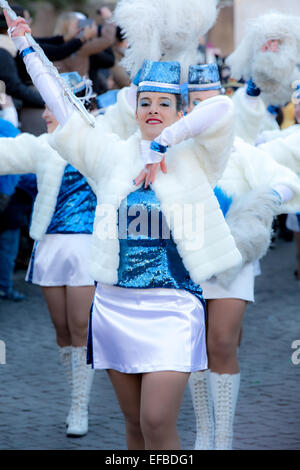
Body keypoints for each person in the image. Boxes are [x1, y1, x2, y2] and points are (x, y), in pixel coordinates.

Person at [6, 11, 250, 449]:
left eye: (164, 104)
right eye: (145, 103)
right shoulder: (113, 157)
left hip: (174, 307)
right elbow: (63, 106)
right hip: (115, 306)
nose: (153, 111)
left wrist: (165, 143)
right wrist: (27, 47)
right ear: (133, 108)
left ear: (179, 111)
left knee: (158, 423)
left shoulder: (195, 157)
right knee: (135, 428)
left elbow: (222, 107)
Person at [186, 63, 300, 450]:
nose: (201, 111)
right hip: (186, 261)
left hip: (234, 260)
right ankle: (203, 431)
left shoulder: (242, 151)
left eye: (208, 103)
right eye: (194, 103)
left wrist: (266, 201)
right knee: (194, 347)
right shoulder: (177, 152)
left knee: (221, 343)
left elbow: (287, 181)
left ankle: (224, 437)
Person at [0, 69, 99, 438]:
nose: (44, 114)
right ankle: (75, 395)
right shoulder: (44, 146)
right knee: (62, 329)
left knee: (81, 327)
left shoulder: (99, 145)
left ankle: (80, 406)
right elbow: (7, 152)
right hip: (51, 249)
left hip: (88, 248)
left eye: (50, 106)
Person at [53, 11, 116, 78]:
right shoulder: (79, 46)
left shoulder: (51, 45)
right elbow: (107, 40)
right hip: (78, 85)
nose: (81, 28)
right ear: (68, 28)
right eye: (77, 26)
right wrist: (109, 19)